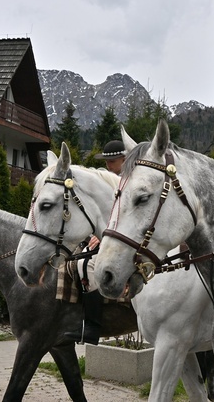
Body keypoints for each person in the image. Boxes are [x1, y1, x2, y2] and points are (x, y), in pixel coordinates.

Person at [65, 140, 126, 344]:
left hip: (121, 238)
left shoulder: (126, 181)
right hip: (106, 235)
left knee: (89, 265)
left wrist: (102, 235)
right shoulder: (109, 180)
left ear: (124, 159)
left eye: (113, 160)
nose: (108, 164)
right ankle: (82, 318)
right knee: (79, 262)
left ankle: (94, 325)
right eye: (106, 160)